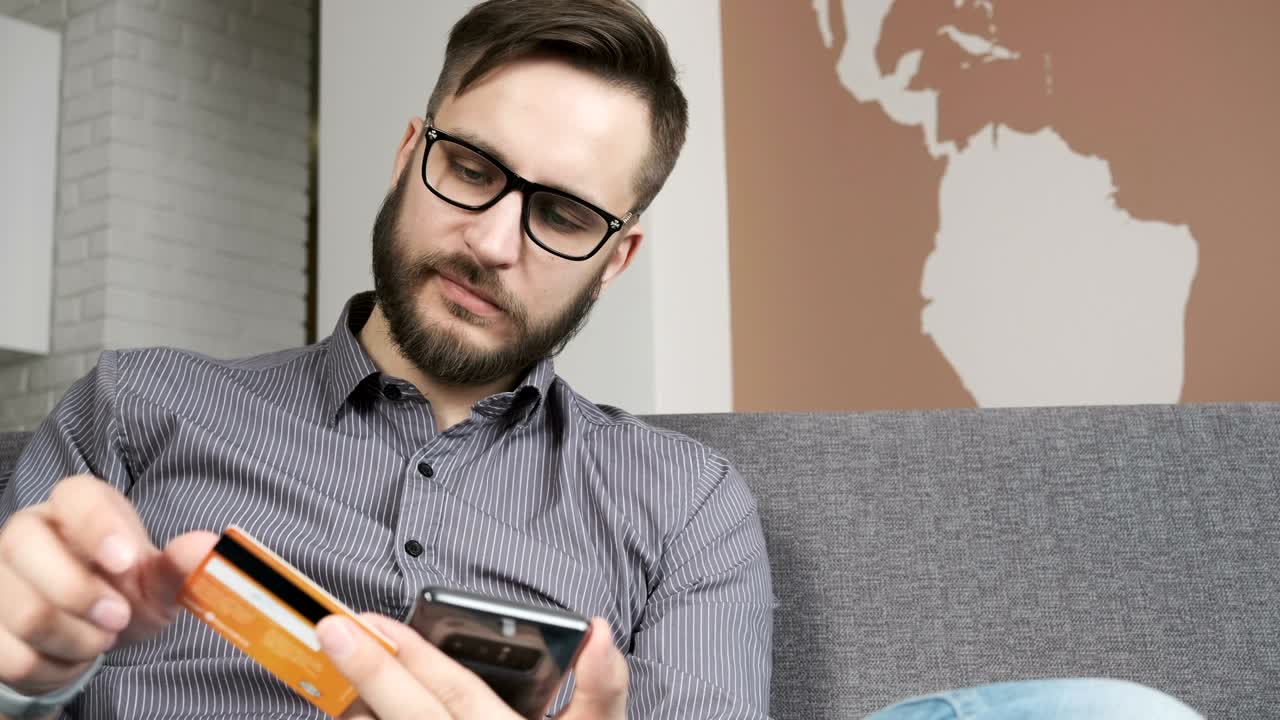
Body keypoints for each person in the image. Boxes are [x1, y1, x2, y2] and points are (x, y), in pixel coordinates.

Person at [0, 1, 1205, 719]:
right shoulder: (140, 406)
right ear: (410, 149)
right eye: (471, 169)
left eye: (564, 216)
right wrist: (24, 670)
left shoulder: (684, 502)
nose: (492, 239)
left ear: (614, 260)